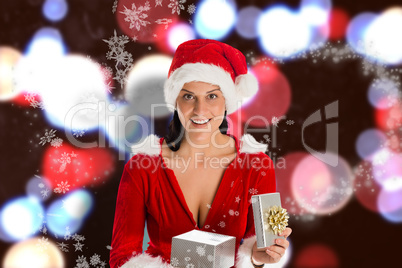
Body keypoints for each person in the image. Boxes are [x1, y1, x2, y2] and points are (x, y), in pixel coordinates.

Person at [109, 39, 291, 268]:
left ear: (227, 101)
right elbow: (123, 256)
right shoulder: (142, 168)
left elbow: (257, 246)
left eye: (212, 96)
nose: (200, 110)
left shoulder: (257, 166)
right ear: (175, 100)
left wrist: (258, 256)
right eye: (188, 96)